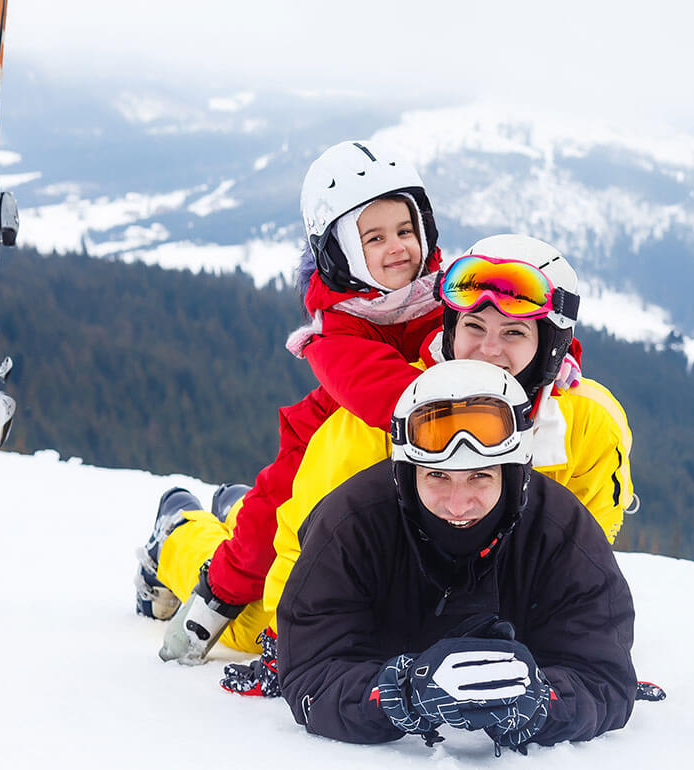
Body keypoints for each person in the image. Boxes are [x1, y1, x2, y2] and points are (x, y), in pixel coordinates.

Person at [211, 234, 635, 698]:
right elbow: (308, 542)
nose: (488, 350)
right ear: (452, 330)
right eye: (475, 326)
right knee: (243, 627)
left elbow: (582, 556)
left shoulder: (587, 426)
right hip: (378, 585)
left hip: (483, 593)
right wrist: (287, 646)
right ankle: (179, 535)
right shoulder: (393, 417)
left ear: (550, 345)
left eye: (513, 332)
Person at [134, 139, 445, 657]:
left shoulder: (447, 300)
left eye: (405, 229)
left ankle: (232, 508)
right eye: (374, 237)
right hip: (298, 503)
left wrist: (553, 354)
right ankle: (178, 535)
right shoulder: (340, 343)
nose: (397, 247)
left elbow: (519, 316)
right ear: (340, 250)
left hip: (378, 523)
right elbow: (404, 400)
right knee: (251, 628)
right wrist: (219, 593)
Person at [276, 359, 637, 753]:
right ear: (407, 473)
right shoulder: (350, 526)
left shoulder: (563, 532)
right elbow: (310, 671)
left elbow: (605, 678)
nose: (458, 504)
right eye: (437, 476)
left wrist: (544, 703)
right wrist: (400, 694)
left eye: (480, 476)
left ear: (514, 474)